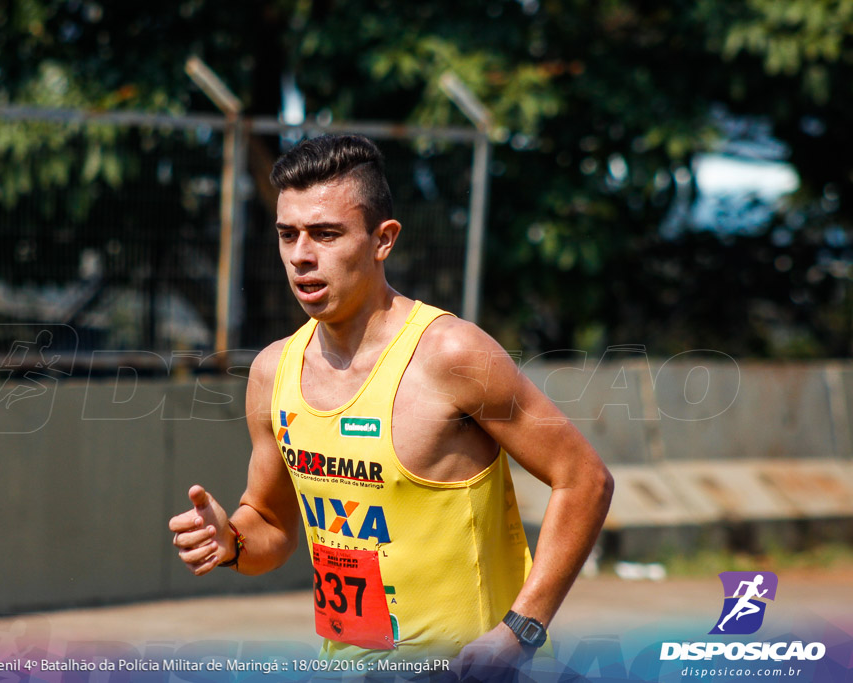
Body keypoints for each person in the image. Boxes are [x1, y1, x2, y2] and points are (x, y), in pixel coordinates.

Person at [169, 134, 613, 678]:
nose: (302, 255)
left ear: (383, 240)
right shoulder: (271, 372)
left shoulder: (450, 354)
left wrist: (520, 629)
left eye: (327, 234)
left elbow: (584, 479)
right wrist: (230, 539)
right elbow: (270, 525)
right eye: (288, 234)